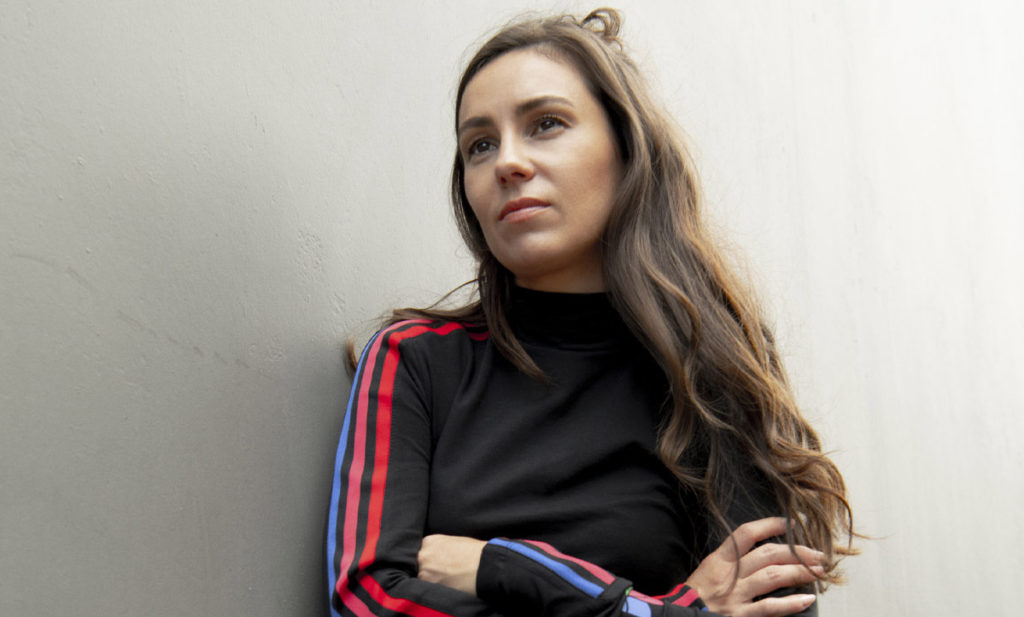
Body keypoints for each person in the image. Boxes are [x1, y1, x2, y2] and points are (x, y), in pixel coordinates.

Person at [326, 8, 854, 617]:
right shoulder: (415, 359)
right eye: (480, 145)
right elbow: (367, 601)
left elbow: (777, 606)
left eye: (546, 124)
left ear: (626, 149)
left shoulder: (709, 369)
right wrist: (664, 609)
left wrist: (504, 568)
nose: (507, 162)